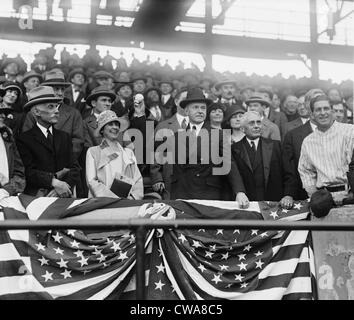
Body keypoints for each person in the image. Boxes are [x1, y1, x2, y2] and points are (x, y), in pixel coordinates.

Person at [164, 87, 248, 205]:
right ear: (187, 111)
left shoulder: (218, 135)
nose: (200, 111)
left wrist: (239, 191)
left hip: (209, 194)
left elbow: (229, 164)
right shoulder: (176, 137)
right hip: (182, 194)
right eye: (195, 107)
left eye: (203, 108)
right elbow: (172, 172)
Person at [17, 86, 80, 197]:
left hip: (64, 196)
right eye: (51, 107)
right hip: (37, 198)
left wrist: (63, 187)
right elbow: (28, 172)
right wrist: (53, 182)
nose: (56, 111)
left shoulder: (64, 137)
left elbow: (74, 168)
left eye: (56, 106)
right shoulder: (24, 139)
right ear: (36, 112)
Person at [231, 111, 295, 208]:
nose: (256, 126)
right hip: (247, 206)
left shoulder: (276, 146)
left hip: (274, 205)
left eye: (258, 122)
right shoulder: (234, 149)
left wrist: (288, 194)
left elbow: (289, 173)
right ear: (242, 129)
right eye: (251, 123)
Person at [298, 95, 354, 205]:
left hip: (349, 196)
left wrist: (352, 193)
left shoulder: (350, 131)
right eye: (318, 110)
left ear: (332, 111)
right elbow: (305, 171)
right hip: (322, 200)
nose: (323, 113)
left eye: (326, 108)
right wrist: (315, 196)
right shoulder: (308, 141)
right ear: (312, 115)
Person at [85, 110, 143, 200]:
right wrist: (113, 199)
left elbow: (137, 179)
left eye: (117, 125)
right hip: (102, 204)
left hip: (127, 204)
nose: (115, 127)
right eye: (110, 124)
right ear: (102, 130)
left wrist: (132, 198)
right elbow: (92, 181)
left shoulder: (128, 153)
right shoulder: (93, 152)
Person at [0, 117, 25, 200]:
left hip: (7, 198)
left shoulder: (6, 136)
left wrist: (7, 190)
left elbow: (19, 173)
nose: (2, 116)